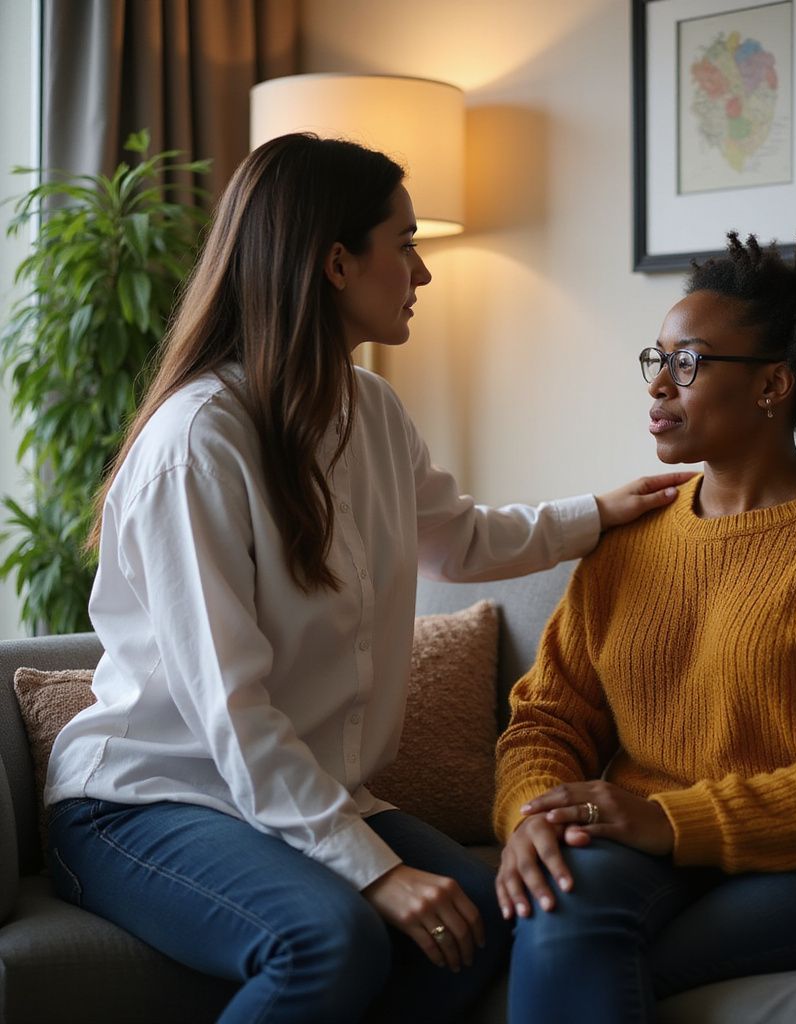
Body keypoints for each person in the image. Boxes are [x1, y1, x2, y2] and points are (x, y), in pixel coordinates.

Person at [43, 133, 691, 1024]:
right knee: (327, 937)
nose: (421, 272)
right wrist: (376, 873)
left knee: (495, 915)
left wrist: (601, 512)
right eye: (406, 243)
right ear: (337, 263)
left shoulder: (372, 412)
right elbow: (232, 711)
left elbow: (458, 540)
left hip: (294, 796)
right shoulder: (197, 444)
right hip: (147, 800)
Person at [493, 227, 796, 1023]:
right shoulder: (632, 534)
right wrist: (534, 817)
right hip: (657, 845)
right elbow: (547, 719)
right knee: (548, 909)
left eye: (688, 363)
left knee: (571, 947)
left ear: (772, 384)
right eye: (657, 360)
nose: (658, 386)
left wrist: (666, 819)